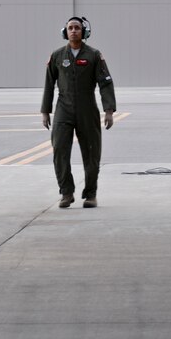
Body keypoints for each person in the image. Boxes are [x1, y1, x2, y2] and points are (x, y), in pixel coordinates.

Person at [41, 16, 116, 208]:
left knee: (91, 153)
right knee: (59, 151)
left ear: (84, 32)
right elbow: (49, 85)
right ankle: (66, 193)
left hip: (87, 109)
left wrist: (109, 110)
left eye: (77, 28)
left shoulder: (93, 55)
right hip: (63, 109)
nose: (73, 31)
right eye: (70, 28)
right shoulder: (57, 56)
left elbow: (105, 83)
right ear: (64, 32)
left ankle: (90, 194)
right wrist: (45, 111)